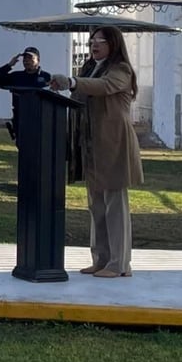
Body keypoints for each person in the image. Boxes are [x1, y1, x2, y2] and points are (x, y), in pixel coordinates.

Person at [50, 26, 142, 279]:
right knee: (97, 206)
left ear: (113, 44)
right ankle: (100, 259)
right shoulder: (90, 68)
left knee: (115, 206)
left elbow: (103, 86)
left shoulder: (120, 69)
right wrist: (62, 85)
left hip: (113, 145)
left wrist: (72, 82)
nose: (94, 45)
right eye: (91, 41)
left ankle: (119, 264)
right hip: (90, 145)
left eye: (99, 41)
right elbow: (84, 91)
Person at [0, 46, 51, 141]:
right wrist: (9, 65)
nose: (26, 61)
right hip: (21, 118)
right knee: (23, 147)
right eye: (25, 59)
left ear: (38, 60)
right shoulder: (17, 76)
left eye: (30, 58)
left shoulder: (46, 77)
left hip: (39, 117)